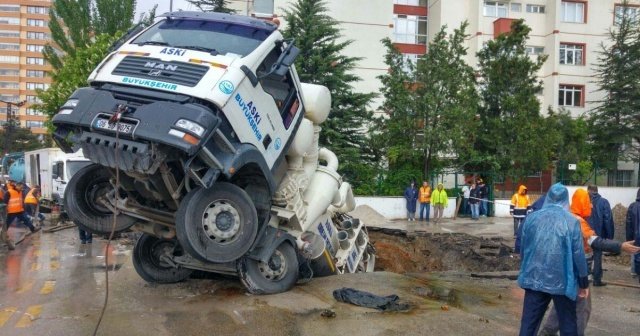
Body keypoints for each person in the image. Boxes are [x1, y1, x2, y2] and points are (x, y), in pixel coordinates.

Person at [539, 188, 640, 335]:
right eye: (588, 202)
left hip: (562, 272)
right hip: (577, 274)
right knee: (582, 309)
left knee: (562, 304)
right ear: (582, 203)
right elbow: (596, 242)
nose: (591, 206)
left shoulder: (565, 217)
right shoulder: (578, 223)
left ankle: (547, 331)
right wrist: (621, 246)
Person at [517, 183, 589, 336]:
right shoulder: (572, 222)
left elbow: (523, 247)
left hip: (534, 278)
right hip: (562, 281)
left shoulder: (531, 219)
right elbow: (578, 255)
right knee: (568, 323)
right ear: (566, 199)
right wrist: (583, 283)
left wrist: (526, 268)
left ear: (548, 197)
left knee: (528, 324)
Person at [586, 185, 614, 286]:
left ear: (588, 190)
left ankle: (585, 278)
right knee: (597, 256)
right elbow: (608, 220)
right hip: (598, 235)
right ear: (597, 191)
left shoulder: (584, 202)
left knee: (585, 255)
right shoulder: (604, 202)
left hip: (585, 234)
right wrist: (609, 237)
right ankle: (597, 280)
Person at [625, 188, 640, 279]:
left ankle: (634, 271)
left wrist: (628, 238)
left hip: (635, 236)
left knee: (634, 252)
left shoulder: (632, 206)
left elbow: (628, 223)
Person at [0, 182, 15, 250]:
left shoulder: (2, 191)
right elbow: (3, 201)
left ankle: (6, 241)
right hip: (1, 212)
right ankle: (7, 241)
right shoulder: (1, 191)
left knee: (3, 227)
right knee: (3, 227)